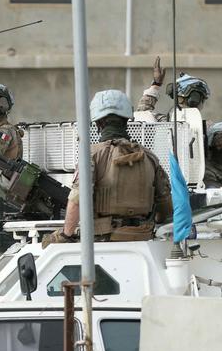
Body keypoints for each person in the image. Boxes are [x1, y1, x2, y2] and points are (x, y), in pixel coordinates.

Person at [57, 90, 173, 242]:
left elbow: (77, 200)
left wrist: (66, 235)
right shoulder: (150, 157)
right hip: (143, 240)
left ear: (97, 123)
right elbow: (165, 207)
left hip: (104, 242)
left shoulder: (92, 155)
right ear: (127, 120)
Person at [138, 56, 210, 122]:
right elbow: (142, 115)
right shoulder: (206, 128)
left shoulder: (164, 122)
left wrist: (155, 85)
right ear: (195, 100)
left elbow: (142, 114)